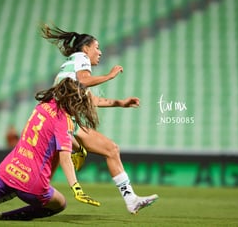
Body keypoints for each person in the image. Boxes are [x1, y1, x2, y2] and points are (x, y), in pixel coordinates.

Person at [0, 78, 100, 221]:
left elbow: (63, 136)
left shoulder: (43, 105)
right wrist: (76, 187)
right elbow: (65, 158)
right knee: (60, 204)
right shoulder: (64, 121)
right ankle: (4, 217)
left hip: (8, 170)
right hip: (33, 183)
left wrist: (80, 149)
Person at [41, 24, 158, 214]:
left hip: (63, 120)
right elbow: (84, 80)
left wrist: (119, 103)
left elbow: (90, 99)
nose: (100, 52)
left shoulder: (72, 63)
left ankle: (131, 200)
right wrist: (109, 76)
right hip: (58, 121)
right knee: (40, 177)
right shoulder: (81, 58)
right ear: (86, 48)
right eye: (97, 47)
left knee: (111, 149)